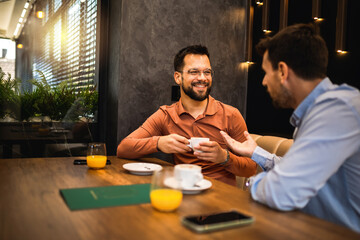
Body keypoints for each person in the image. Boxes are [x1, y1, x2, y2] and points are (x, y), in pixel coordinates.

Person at [220, 23, 360, 232]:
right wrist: (254, 152)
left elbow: (282, 191)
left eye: (266, 72)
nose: (264, 82)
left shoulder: (336, 110)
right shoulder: (318, 111)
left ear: (283, 71)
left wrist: (251, 184)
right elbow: (297, 169)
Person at [117, 45, 256, 186]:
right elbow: (123, 149)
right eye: (194, 72)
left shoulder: (231, 115)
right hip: (183, 192)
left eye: (207, 72)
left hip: (223, 198)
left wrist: (224, 158)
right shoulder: (166, 115)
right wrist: (159, 143)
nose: (202, 78)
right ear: (178, 77)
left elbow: (251, 168)